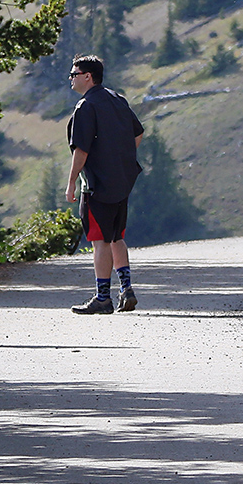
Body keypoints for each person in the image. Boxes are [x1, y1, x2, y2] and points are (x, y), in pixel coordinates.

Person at [66, 54, 144, 314]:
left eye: (74, 74)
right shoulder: (117, 99)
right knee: (116, 237)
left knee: (99, 240)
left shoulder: (85, 106)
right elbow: (138, 132)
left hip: (97, 184)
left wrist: (72, 181)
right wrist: (120, 157)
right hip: (122, 180)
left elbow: (82, 150)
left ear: (88, 76)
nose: (71, 78)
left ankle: (102, 298)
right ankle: (126, 288)